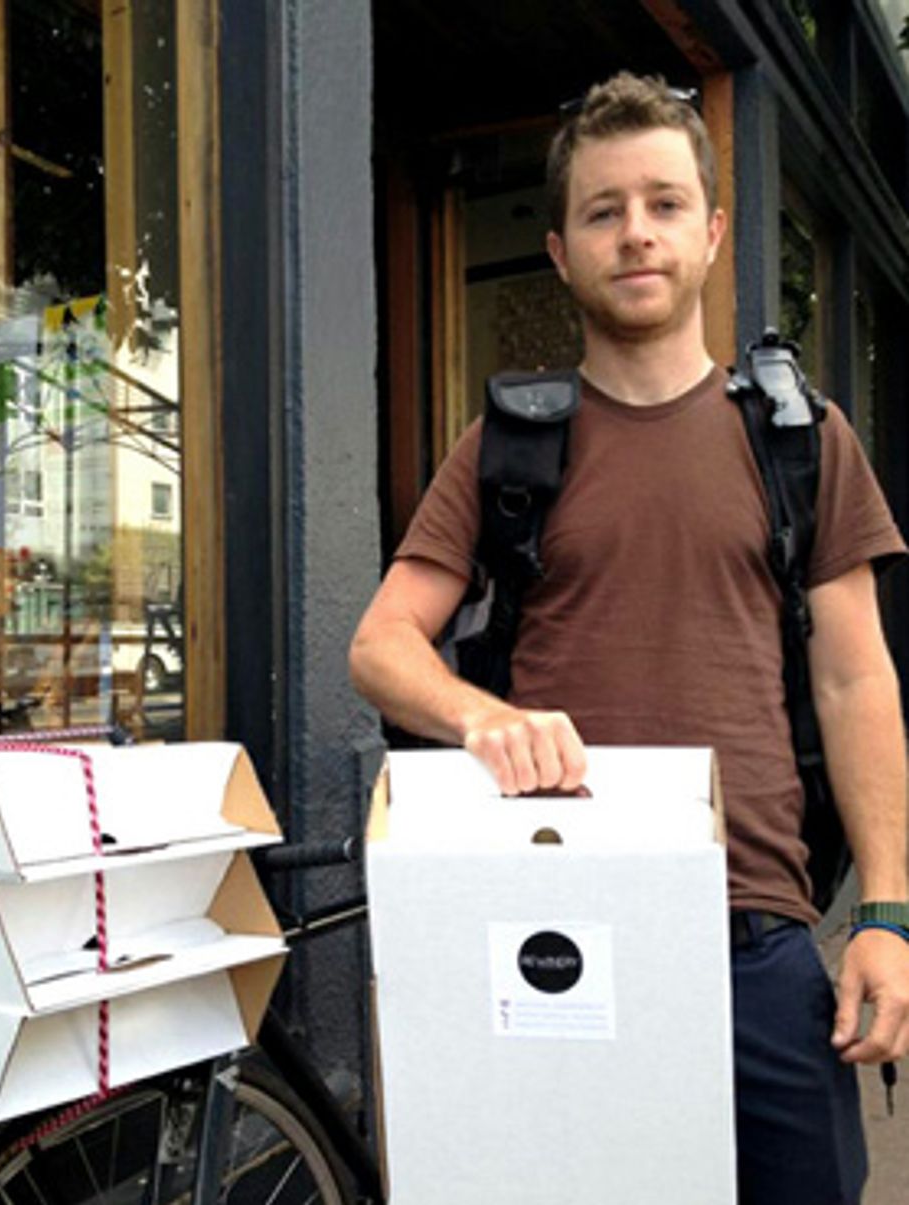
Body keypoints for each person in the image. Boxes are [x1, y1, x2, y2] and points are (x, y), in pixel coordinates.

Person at [349, 73, 909, 1204]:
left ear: (712, 232)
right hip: (554, 935)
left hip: (756, 935)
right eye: (603, 211)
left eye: (662, 203)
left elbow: (855, 681)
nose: (636, 232)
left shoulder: (801, 439)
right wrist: (483, 719)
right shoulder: (505, 447)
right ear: (561, 252)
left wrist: (888, 916)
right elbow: (381, 644)